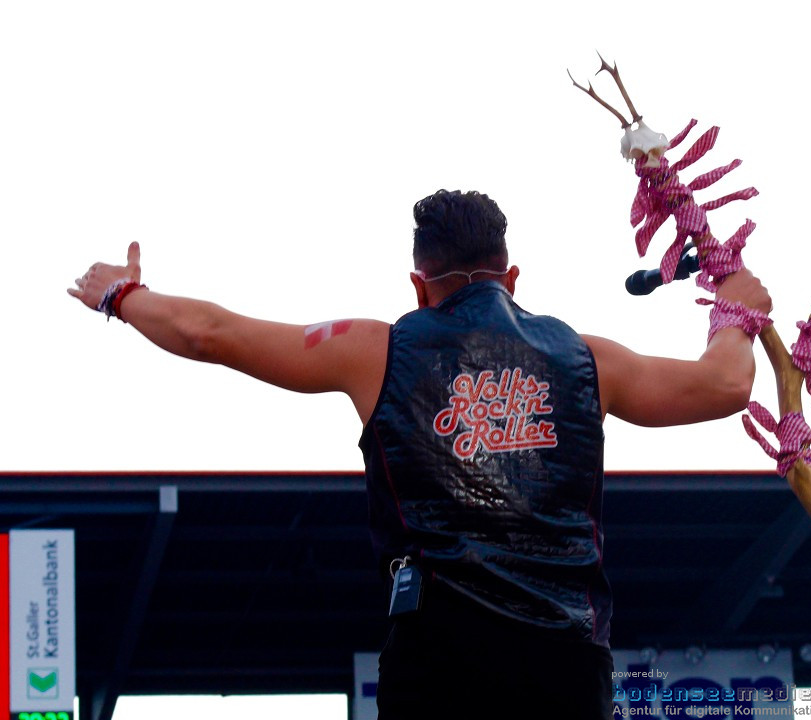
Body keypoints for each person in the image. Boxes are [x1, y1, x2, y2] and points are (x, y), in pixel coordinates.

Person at [69, 189, 771, 720]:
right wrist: (734, 312)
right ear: (513, 276)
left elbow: (209, 333)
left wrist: (124, 296)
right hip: (565, 661)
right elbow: (725, 384)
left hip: (438, 657)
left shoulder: (375, 349)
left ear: (417, 284)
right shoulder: (591, 361)